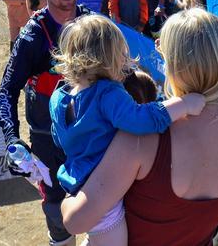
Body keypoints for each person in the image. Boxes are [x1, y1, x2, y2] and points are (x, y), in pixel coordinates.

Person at [61, 8, 218, 245]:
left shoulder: (141, 139)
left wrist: (67, 192)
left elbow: (75, 221)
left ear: (174, 63)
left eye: (162, 49)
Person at [49, 15, 205, 245]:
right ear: (107, 57)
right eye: (122, 53)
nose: (126, 59)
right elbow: (141, 120)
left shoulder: (58, 96)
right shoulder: (108, 93)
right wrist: (184, 104)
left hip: (77, 183)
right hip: (106, 199)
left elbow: (58, 138)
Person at [0, 0, 91, 246]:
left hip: (92, 135)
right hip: (47, 141)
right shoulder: (33, 36)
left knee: (102, 204)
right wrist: (12, 138)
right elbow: (6, 91)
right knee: (57, 213)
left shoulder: (91, 24)